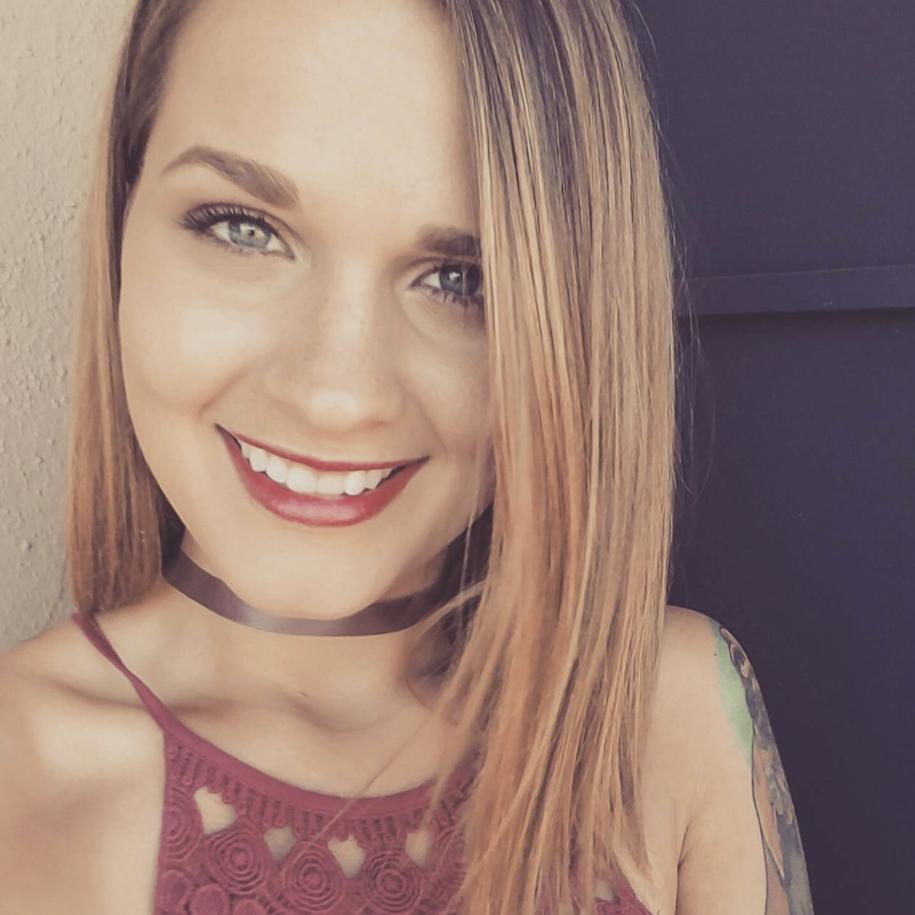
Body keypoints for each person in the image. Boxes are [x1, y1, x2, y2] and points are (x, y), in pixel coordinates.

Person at [0, 0, 815, 913]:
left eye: (461, 279)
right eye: (243, 228)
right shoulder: (19, 773)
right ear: (120, 226)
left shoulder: (668, 713)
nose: (337, 396)